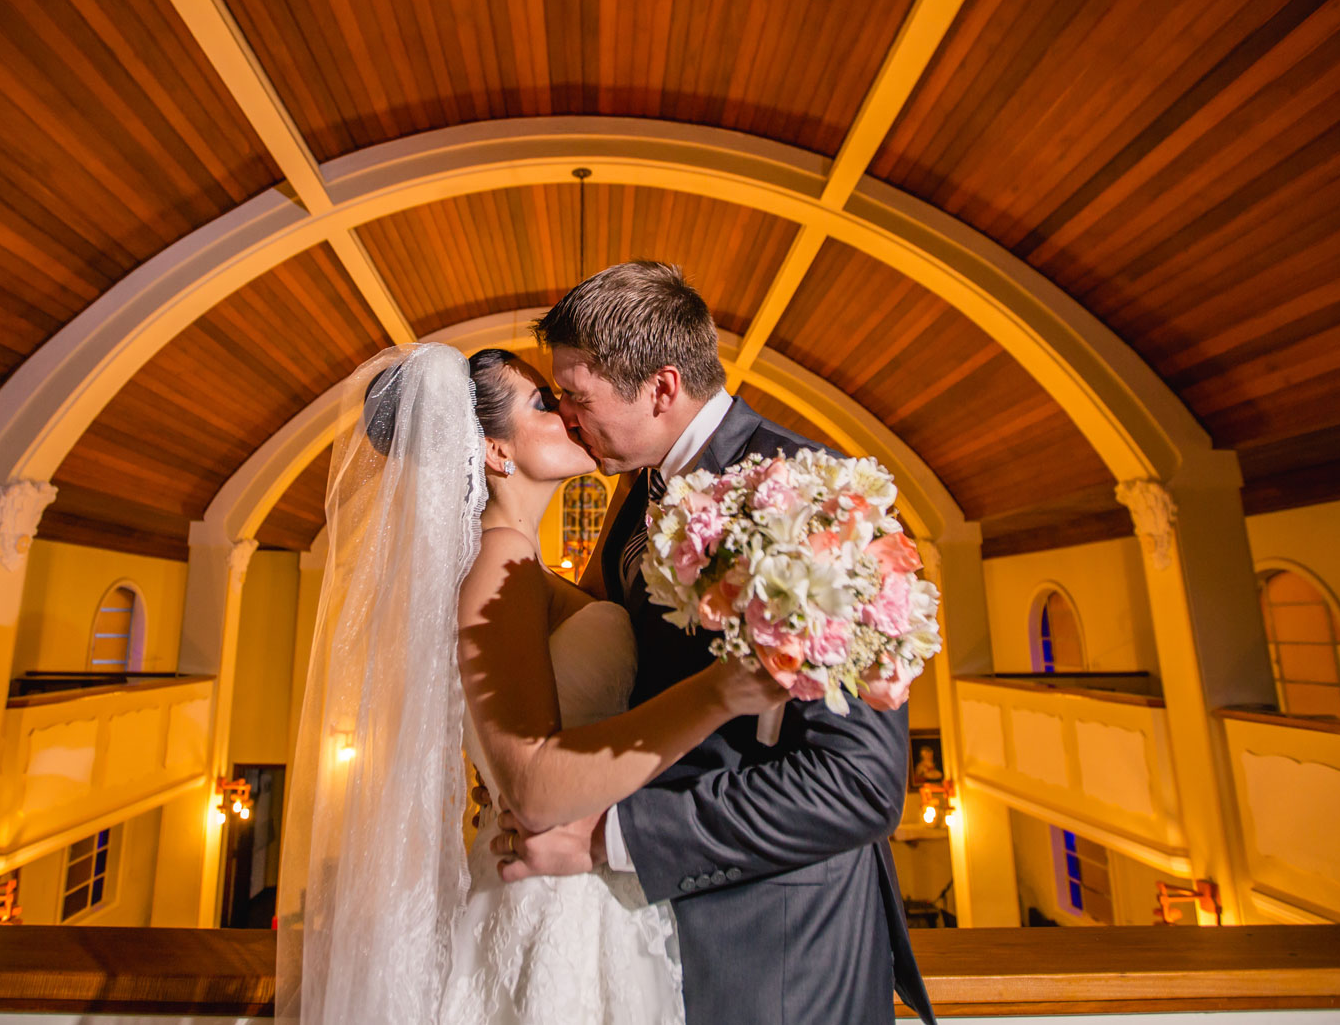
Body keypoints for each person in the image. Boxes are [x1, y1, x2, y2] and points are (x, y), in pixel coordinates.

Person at [277, 339, 792, 1024]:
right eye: (545, 403)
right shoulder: (502, 563)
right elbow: (533, 786)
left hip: (583, 890)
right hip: (553, 898)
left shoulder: (527, 566)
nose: (569, 414)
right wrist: (724, 692)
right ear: (496, 451)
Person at [499, 261, 936, 1025]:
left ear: (661, 388)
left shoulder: (816, 499)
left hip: (783, 950)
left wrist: (612, 837)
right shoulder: (640, 490)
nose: (566, 416)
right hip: (656, 939)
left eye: (577, 395)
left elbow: (857, 783)